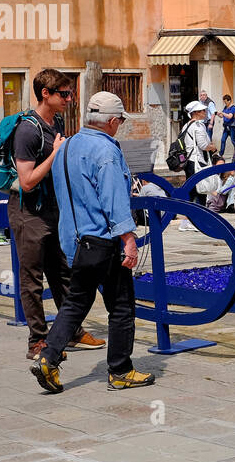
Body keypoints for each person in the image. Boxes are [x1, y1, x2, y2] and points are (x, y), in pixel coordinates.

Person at [29, 91, 155, 394]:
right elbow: (112, 199)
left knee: (75, 303)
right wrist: (128, 238)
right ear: (111, 120)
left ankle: (48, 357)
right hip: (103, 239)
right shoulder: (106, 151)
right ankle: (121, 370)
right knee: (122, 306)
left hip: (74, 239)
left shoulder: (68, 145)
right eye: (120, 120)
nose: (120, 125)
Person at [8, 69, 104, 359]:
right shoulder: (27, 130)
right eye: (64, 94)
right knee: (31, 279)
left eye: (71, 93)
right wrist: (56, 152)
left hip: (53, 209)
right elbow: (26, 181)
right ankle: (37, 340)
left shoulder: (57, 121)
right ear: (45, 94)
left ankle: (70, 331)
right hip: (28, 211)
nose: (70, 98)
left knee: (62, 273)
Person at [219, 95, 235, 159]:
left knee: (233, 141)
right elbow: (222, 116)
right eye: (224, 102)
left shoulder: (233, 108)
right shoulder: (225, 107)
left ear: (229, 101)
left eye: (225, 102)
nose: (225, 103)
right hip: (226, 127)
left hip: (232, 127)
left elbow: (229, 116)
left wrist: (223, 113)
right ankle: (220, 154)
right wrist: (218, 114)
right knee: (223, 140)